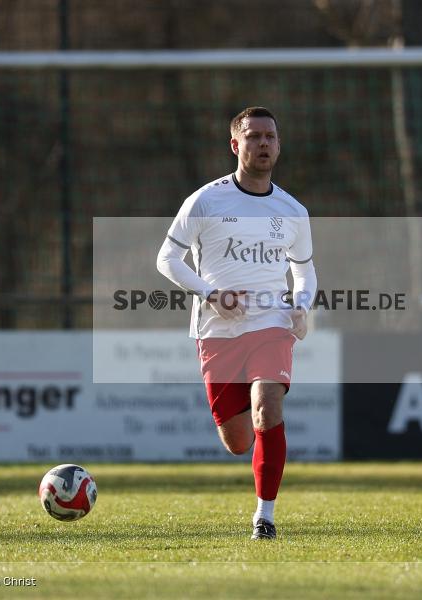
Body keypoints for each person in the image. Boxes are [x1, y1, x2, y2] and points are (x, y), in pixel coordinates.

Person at [156, 106, 317, 540]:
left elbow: (304, 272)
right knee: (239, 441)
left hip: (271, 322)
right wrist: (211, 294)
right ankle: (250, 447)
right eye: (253, 136)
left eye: (270, 136)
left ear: (279, 146)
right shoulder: (206, 200)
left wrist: (301, 305)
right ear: (235, 144)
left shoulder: (293, 210)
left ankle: (264, 517)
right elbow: (166, 259)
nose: (263, 143)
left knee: (267, 408)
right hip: (217, 330)